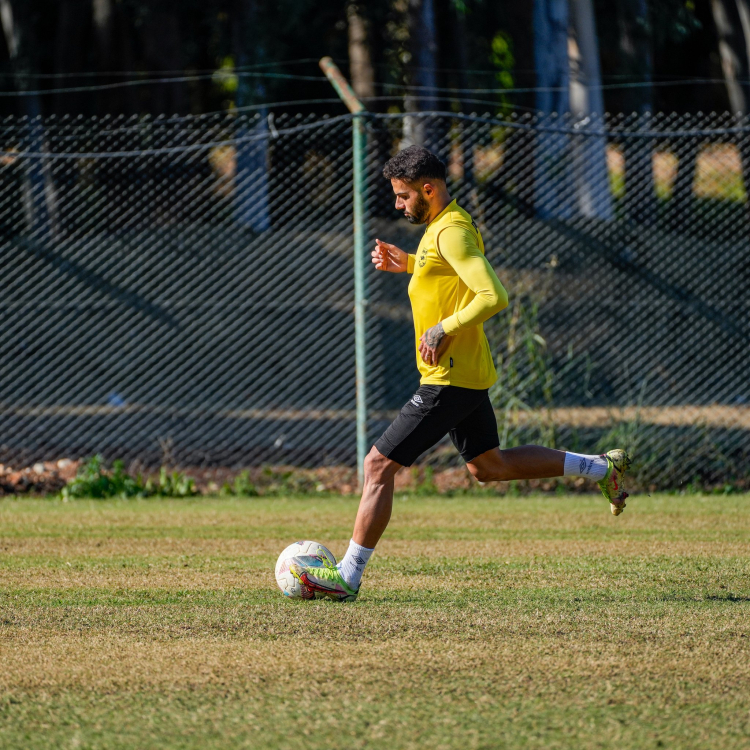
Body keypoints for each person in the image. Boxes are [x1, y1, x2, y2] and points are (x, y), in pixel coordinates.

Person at [291, 145, 630, 602]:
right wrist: (408, 264)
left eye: (402, 195)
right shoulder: (441, 227)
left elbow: (494, 295)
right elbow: (447, 275)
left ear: (427, 189)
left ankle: (348, 576)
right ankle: (600, 467)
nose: (397, 204)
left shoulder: (451, 232)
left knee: (377, 465)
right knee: (489, 466)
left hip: (448, 378)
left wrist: (443, 327)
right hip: (463, 375)